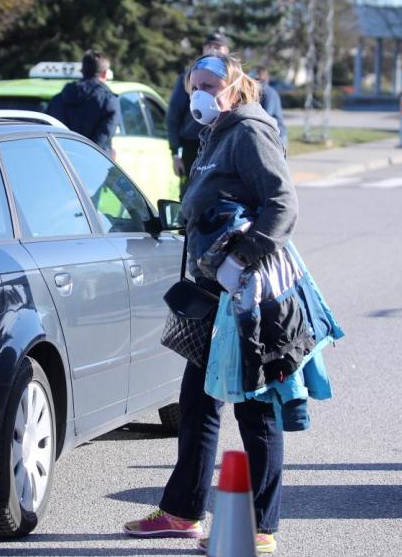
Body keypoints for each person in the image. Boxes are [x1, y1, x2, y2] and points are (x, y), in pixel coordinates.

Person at [123, 54, 298, 554]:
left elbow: (282, 202)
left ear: (234, 88)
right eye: (194, 84)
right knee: (197, 404)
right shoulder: (215, 131)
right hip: (212, 291)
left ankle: (262, 525)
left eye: (210, 84)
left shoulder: (249, 131)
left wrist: (245, 257)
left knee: (255, 406)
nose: (200, 93)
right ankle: (182, 513)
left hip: (246, 293)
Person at [167, 31, 231, 193]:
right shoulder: (190, 77)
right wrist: (176, 154)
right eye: (209, 46)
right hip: (193, 146)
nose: (213, 50)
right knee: (190, 196)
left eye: (218, 46)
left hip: (225, 144)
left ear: (227, 50)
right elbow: (173, 116)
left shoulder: (235, 80)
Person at [47, 50, 120, 154]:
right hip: (95, 162)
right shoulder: (108, 101)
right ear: (104, 73)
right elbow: (105, 135)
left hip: (61, 161)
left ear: (82, 71)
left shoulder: (57, 99)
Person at [255, 66, 288, 149]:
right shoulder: (260, 91)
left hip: (276, 135)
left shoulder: (268, 92)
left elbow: (266, 115)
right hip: (269, 134)